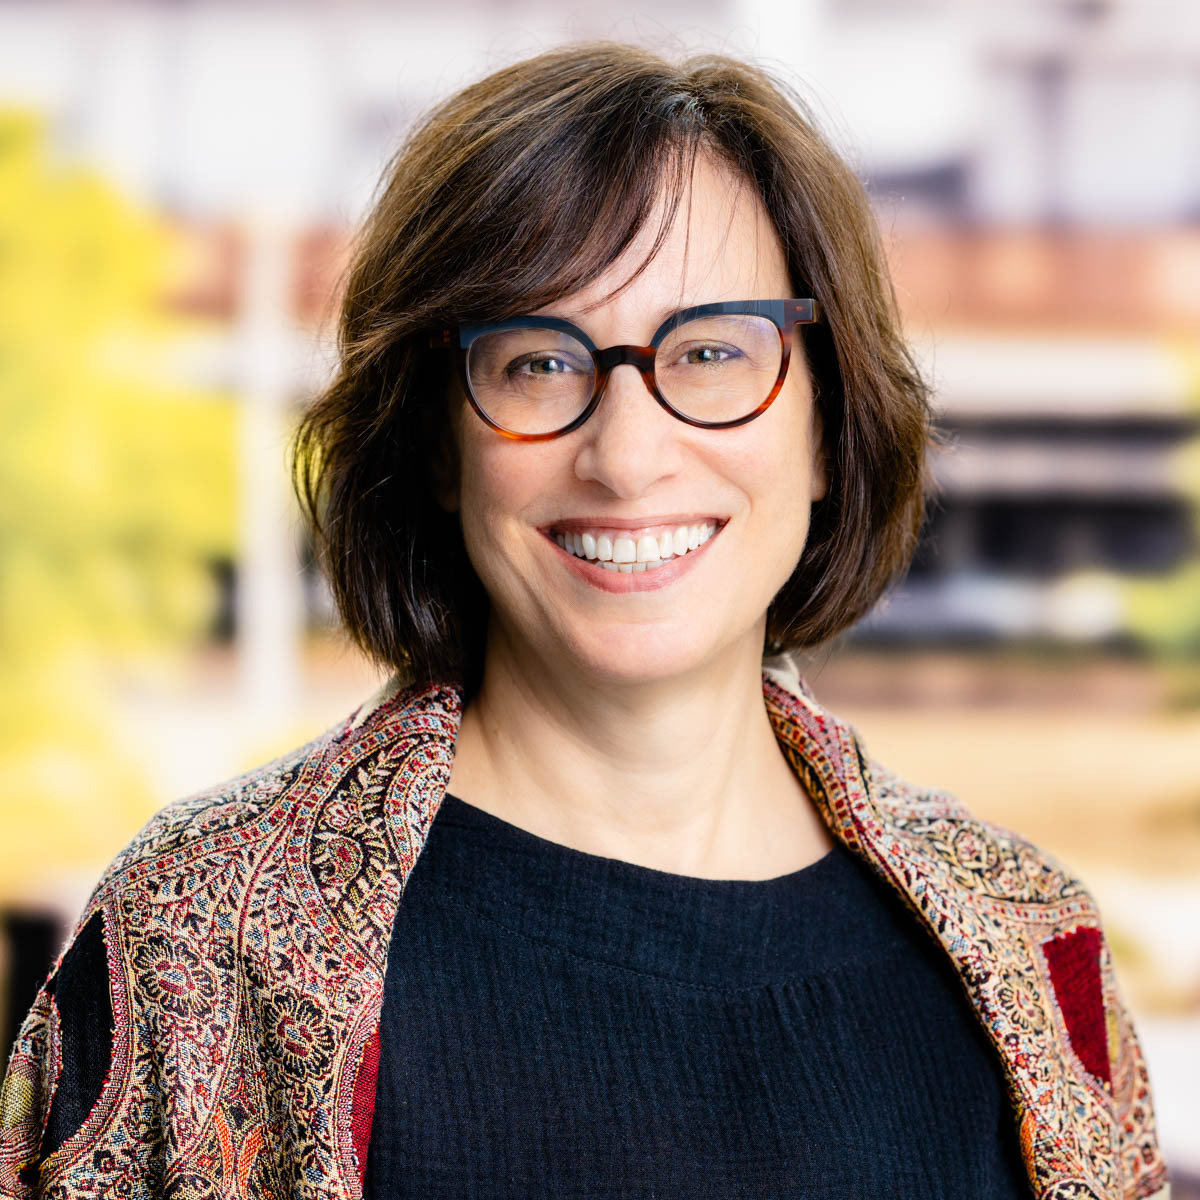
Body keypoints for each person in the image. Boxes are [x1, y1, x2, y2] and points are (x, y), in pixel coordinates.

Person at [0, 41, 1168, 1200]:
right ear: (439, 447)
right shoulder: (197, 946)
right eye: (537, 363)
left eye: (711, 351)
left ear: (826, 423)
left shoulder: (1031, 952)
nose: (626, 453)